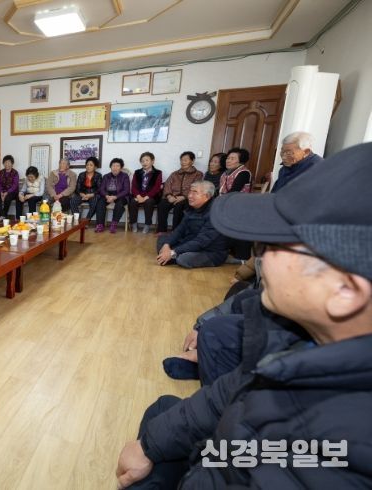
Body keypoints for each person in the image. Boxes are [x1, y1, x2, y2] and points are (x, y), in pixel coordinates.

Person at [116, 142, 372, 489]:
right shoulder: (299, 335)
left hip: (229, 464)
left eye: (273, 247)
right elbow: (237, 388)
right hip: (234, 442)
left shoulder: (350, 440)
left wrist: (200, 457)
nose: (259, 260)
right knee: (161, 415)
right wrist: (151, 444)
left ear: (345, 292)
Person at [155, 180, 227, 269]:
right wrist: (167, 244)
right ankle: (169, 255)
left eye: (195, 192)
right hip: (191, 242)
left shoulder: (216, 213)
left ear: (207, 196)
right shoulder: (192, 207)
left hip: (210, 251)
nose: (189, 195)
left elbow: (201, 241)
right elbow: (179, 230)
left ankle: (171, 256)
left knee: (183, 259)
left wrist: (173, 252)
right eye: (190, 192)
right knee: (162, 241)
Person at [156, 151, 203, 234]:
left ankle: (176, 231)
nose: (183, 162)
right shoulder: (174, 174)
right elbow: (167, 185)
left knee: (179, 206)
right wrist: (169, 196)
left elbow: (196, 187)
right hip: (172, 196)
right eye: (181, 160)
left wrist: (184, 196)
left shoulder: (198, 174)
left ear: (192, 161)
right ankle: (162, 230)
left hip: (186, 198)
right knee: (162, 204)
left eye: (185, 160)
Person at [129, 152, 163, 233]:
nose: (144, 163)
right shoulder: (137, 172)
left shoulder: (158, 173)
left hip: (151, 196)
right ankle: (134, 224)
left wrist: (145, 198)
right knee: (133, 202)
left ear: (152, 161)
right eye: (142, 161)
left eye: (147, 160)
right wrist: (138, 196)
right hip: (138, 196)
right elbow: (133, 186)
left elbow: (156, 188)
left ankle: (147, 225)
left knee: (149, 202)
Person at [94, 158, 129, 233]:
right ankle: (100, 225)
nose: (115, 167)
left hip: (120, 196)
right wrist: (106, 196)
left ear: (121, 168)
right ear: (110, 167)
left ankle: (114, 224)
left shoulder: (125, 176)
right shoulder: (106, 176)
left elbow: (126, 190)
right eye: (113, 165)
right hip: (108, 195)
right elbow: (102, 189)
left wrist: (115, 197)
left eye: (117, 166)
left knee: (120, 204)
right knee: (100, 202)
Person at [70, 156, 102, 221]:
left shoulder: (98, 176)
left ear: (95, 167)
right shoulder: (81, 175)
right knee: (72, 201)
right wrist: (82, 194)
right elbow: (77, 188)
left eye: (91, 165)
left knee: (95, 202)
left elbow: (100, 189)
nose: (88, 166)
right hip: (83, 194)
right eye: (87, 165)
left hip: (93, 195)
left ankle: (86, 221)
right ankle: (77, 220)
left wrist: (91, 195)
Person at [0, 154, 19, 219]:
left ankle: (4, 215)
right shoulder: (1, 172)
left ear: (12, 164)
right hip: (2, 191)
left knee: (7, 198)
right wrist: (1, 192)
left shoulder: (15, 173)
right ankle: (2, 214)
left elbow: (15, 185)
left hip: (12, 191)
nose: (7, 164)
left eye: (9, 162)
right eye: (5, 162)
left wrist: (7, 192)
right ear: (3, 163)